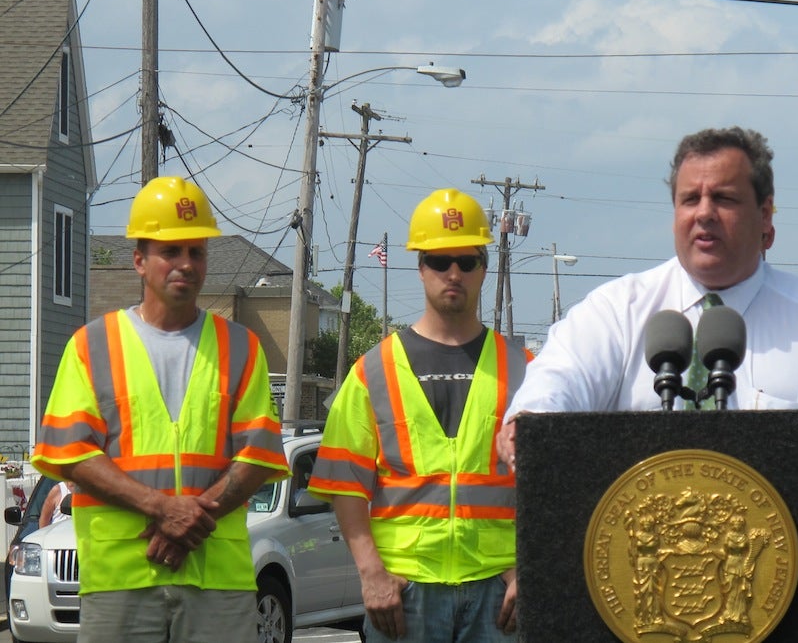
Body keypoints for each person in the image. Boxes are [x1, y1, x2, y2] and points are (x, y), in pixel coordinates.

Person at [497, 126, 798, 516]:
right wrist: (529, 426)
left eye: (724, 198)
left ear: (765, 215)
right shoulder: (617, 310)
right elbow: (556, 385)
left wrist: (758, 503)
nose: (705, 213)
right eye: (690, 199)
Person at [30, 176, 290, 643]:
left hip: (217, 578)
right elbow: (71, 453)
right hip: (120, 577)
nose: (185, 264)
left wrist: (187, 521)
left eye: (196, 252)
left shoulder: (241, 347)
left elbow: (260, 456)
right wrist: (160, 508)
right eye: (170, 251)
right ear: (139, 261)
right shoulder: (92, 345)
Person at [309, 188, 529, 643]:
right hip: (404, 592)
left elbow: (556, 486)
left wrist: (532, 570)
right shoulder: (372, 371)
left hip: (499, 589)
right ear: (420, 266)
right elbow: (343, 482)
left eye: (467, 262)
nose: (454, 273)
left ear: (484, 269)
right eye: (439, 260)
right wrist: (371, 574)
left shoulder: (526, 369)